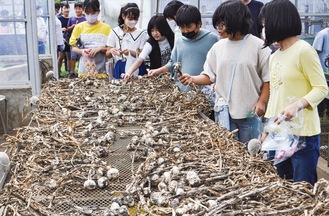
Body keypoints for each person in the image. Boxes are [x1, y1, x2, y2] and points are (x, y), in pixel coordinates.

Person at [178, 0, 271, 143]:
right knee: (229, 155)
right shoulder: (218, 47)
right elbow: (209, 75)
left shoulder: (259, 46)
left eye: (222, 24)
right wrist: (192, 79)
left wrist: (262, 102)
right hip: (223, 112)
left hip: (249, 113)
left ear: (236, 21)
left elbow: (267, 79)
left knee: (250, 154)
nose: (218, 29)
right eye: (217, 25)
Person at [259, 0, 328, 185]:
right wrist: (267, 127)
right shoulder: (274, 56)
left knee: (302, 189)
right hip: (279, 134)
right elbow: (276, 95)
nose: (263, 30)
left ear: (277, 22)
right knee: (281, 188)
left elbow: (322, 88)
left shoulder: (304, 51)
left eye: (265, 24)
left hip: (304, 135)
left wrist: (298, 104)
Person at [124, 15, 174, 81]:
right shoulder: (150, 43)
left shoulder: (172, 38)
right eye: (152, 30)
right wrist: (129, 72)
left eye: (157, 30)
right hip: (157, 77)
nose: (155, 33)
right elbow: (140, 60)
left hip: (173, 75)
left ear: (164, 28)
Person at [106, 3, 148, 79]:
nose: (133, 21)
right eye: (130, 18)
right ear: (123, 16)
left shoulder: (142, 34)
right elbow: (107, 54)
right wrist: (112, 50)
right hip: (120, 65)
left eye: (136, 19)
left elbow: (143, 54)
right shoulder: (115, 32)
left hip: (137, 66)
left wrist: (130, 52)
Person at [69, 0, 111, 77]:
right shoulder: (79, 27)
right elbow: (74, 48)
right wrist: (82, 51)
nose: (90, 15)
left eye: (93, 12)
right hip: (84, 70)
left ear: (98, 11)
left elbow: (110, 49)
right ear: (84, 11)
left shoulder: (106, 28)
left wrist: (100, 49)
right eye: (87, 13)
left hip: (101, 70)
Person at [67, 2, 86, 78]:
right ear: (74, 9)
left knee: (80, 57)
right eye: (76, 9)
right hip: (74, 40)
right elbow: (67, 29)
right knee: (73, 57)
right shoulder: (72, 18)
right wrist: (73, 26)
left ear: (82, 9)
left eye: (79, 8)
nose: (78, 10)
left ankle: (79, 71)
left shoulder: (84, 19)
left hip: (82, 41)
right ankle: (72, 72)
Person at [313, 27, 329, 117]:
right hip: (323, 72)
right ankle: (320, 116)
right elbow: (313, 53)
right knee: (321, 96)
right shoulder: (323, 35)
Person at [58, 3, 71, 76]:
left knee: (69, 56)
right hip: (61, 39)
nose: (66, 10)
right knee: (61, 56)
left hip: (69, 39)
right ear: (62, 10)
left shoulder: (71, 19)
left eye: (67, 8)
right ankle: (58, 71)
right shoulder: (59, 19)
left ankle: (69, 71)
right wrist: (61, 29)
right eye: (64, 8)